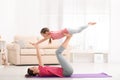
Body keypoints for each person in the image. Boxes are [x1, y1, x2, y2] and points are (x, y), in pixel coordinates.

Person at [30, 22, 96, 45]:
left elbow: (43, 40)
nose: (43, 37)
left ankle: (88, 24)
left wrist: (36, 43)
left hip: (67, 31)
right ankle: (88, 24)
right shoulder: (50, 34)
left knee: (78, 30)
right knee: (78, 30)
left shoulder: (49, 35)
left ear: (46, 33)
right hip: (67, 31)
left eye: (43, 35)